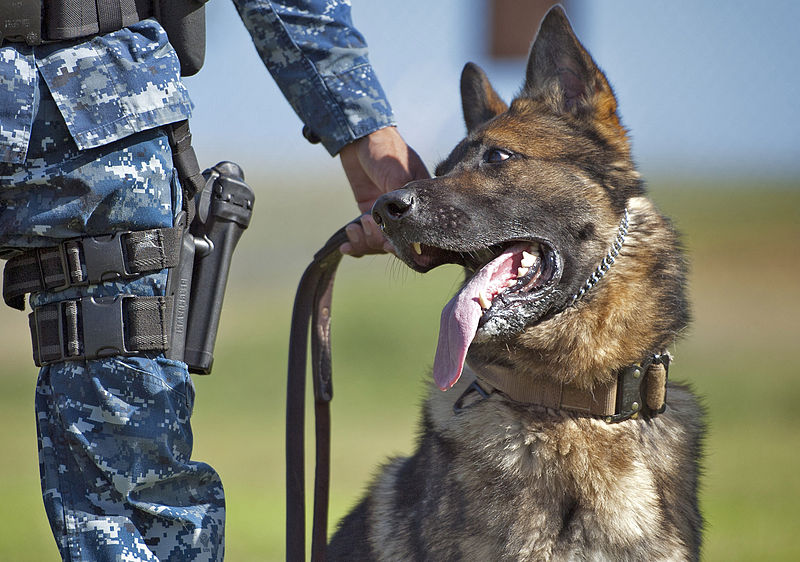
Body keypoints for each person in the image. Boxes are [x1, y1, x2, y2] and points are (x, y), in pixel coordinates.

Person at [0, 1, 428, 560]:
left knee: (135, 497)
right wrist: (363, 131)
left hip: (91, 104)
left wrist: (359, 126)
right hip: (93, 116)